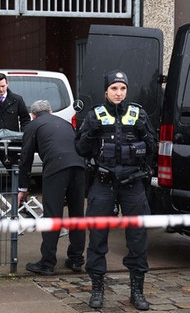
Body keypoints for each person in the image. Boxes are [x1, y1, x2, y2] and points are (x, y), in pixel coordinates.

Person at [75, 70, 157, 310]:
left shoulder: (138, 114)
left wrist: (143, 136)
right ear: (106, 91)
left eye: (122, 88)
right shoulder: (94, 115)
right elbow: (80, 148)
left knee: (138, 238)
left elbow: (152, 147)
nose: (118, 93)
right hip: (103, 183)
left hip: (133, 184)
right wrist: (92, 131)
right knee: (98, 237)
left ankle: (137, 291)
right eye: (114, 88)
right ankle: (97, 289)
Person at [17, 100, 86, 276]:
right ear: (51, 111)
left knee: (52, 215)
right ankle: (77, 259)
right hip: (79, 167)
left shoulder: (33, 126)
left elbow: (25, 159)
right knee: (77, 214)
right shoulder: (65, 123)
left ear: (33, 115)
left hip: (56, 169)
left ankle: (47, 263)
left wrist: (22, 188)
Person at [0, 73, 30, 193]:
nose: (1, 89)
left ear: (7, 83)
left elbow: (25, 119)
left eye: (3, 86)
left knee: (16, 175)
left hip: (11, 145)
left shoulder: (17, 99)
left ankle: (20, 204)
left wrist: (22, 137)